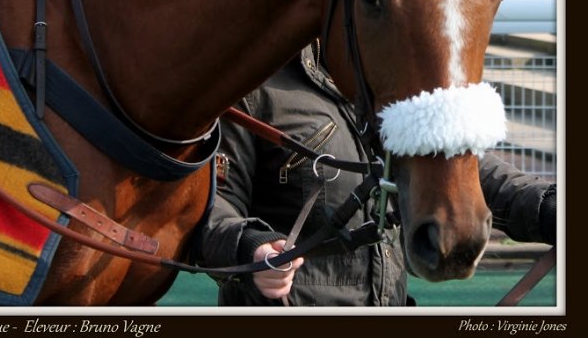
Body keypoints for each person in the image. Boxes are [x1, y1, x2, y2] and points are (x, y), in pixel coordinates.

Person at [198, 41, 557, 306]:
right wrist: (251, 248)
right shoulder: (249, 85)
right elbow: (210, 209)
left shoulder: (395, 81)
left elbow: (462, 167)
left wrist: (548, 208)